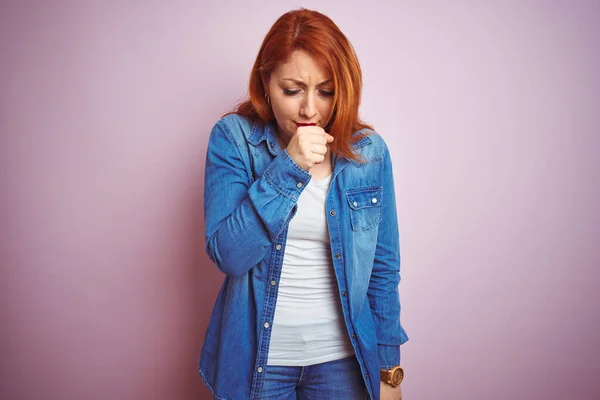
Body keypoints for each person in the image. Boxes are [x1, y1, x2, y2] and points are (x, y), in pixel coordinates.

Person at [199, 8, 408, 400]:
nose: (310, 109)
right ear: (265, 82)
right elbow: (228, 253)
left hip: (343, 364)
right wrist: (290, 166)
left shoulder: (369, 154)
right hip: (258, 365)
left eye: (326, 91)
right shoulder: (234, 140)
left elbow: (382, 268)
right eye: (292, 90)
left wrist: (388, 370)